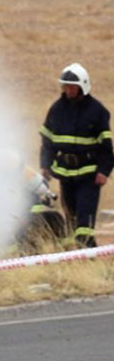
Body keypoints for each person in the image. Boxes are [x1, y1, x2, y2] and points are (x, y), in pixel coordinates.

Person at [39, 63, 113, 247]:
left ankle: (88, 258)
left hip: (89, 176)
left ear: (83, 86)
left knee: (84, 224)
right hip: (66, 175)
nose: (69, 90)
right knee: (71, 221)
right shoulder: (56, 109)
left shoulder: (97, 111)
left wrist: (104, 171)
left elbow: (106, 146)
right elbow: (47, 142)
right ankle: (80, 258)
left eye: (72, 86)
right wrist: (46, 166)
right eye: (66, 86)